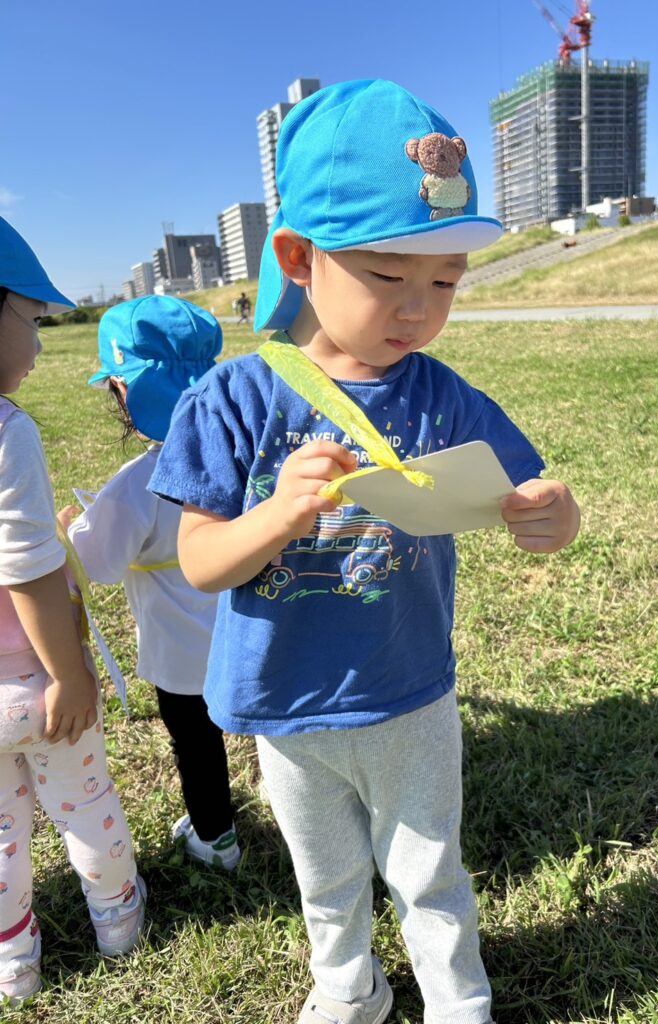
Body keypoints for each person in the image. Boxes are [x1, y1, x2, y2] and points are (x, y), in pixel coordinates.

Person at [150, 80, 580, 1024]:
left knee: (429, 864)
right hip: (287, 701)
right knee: (327, 873)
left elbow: (525, 493)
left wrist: (556, 514)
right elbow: (200, 562)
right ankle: (348, 985)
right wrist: (276, 515)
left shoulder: (440, 392)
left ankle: (457, 995)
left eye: (447, 282)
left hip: (408, 688)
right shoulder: (232, 400)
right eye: (390, 276)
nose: (419, 309)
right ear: (300, 258)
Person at [0, 217, 144, 1005]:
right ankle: (117, 918)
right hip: (32, 682)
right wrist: (69, 672)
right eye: (29, 319)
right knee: (84, 805)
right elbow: (25, 569)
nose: (40, 345)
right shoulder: (6, 431)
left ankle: (12, 962)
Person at [60, 296, 240, 871]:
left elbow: (103, 563)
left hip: (180, 653)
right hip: (248, 633)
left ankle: (216, 839)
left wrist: (73, 530)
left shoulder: (139, 481)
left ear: (125, 392)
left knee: (197, 744)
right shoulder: (240, 456)